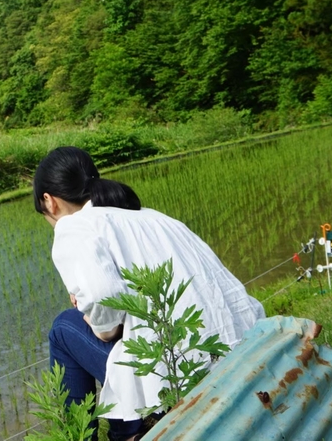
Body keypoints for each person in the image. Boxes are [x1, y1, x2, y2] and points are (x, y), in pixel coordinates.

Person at [33, 147, 265, 441]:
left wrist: (99, 325)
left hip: (177, 375)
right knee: (126, 339)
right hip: (240, 351)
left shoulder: (74, 225)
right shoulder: (156, 218)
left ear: (49, 201)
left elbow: (104, 297)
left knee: (64, 328)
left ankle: (84, 436)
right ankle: (126, 429)